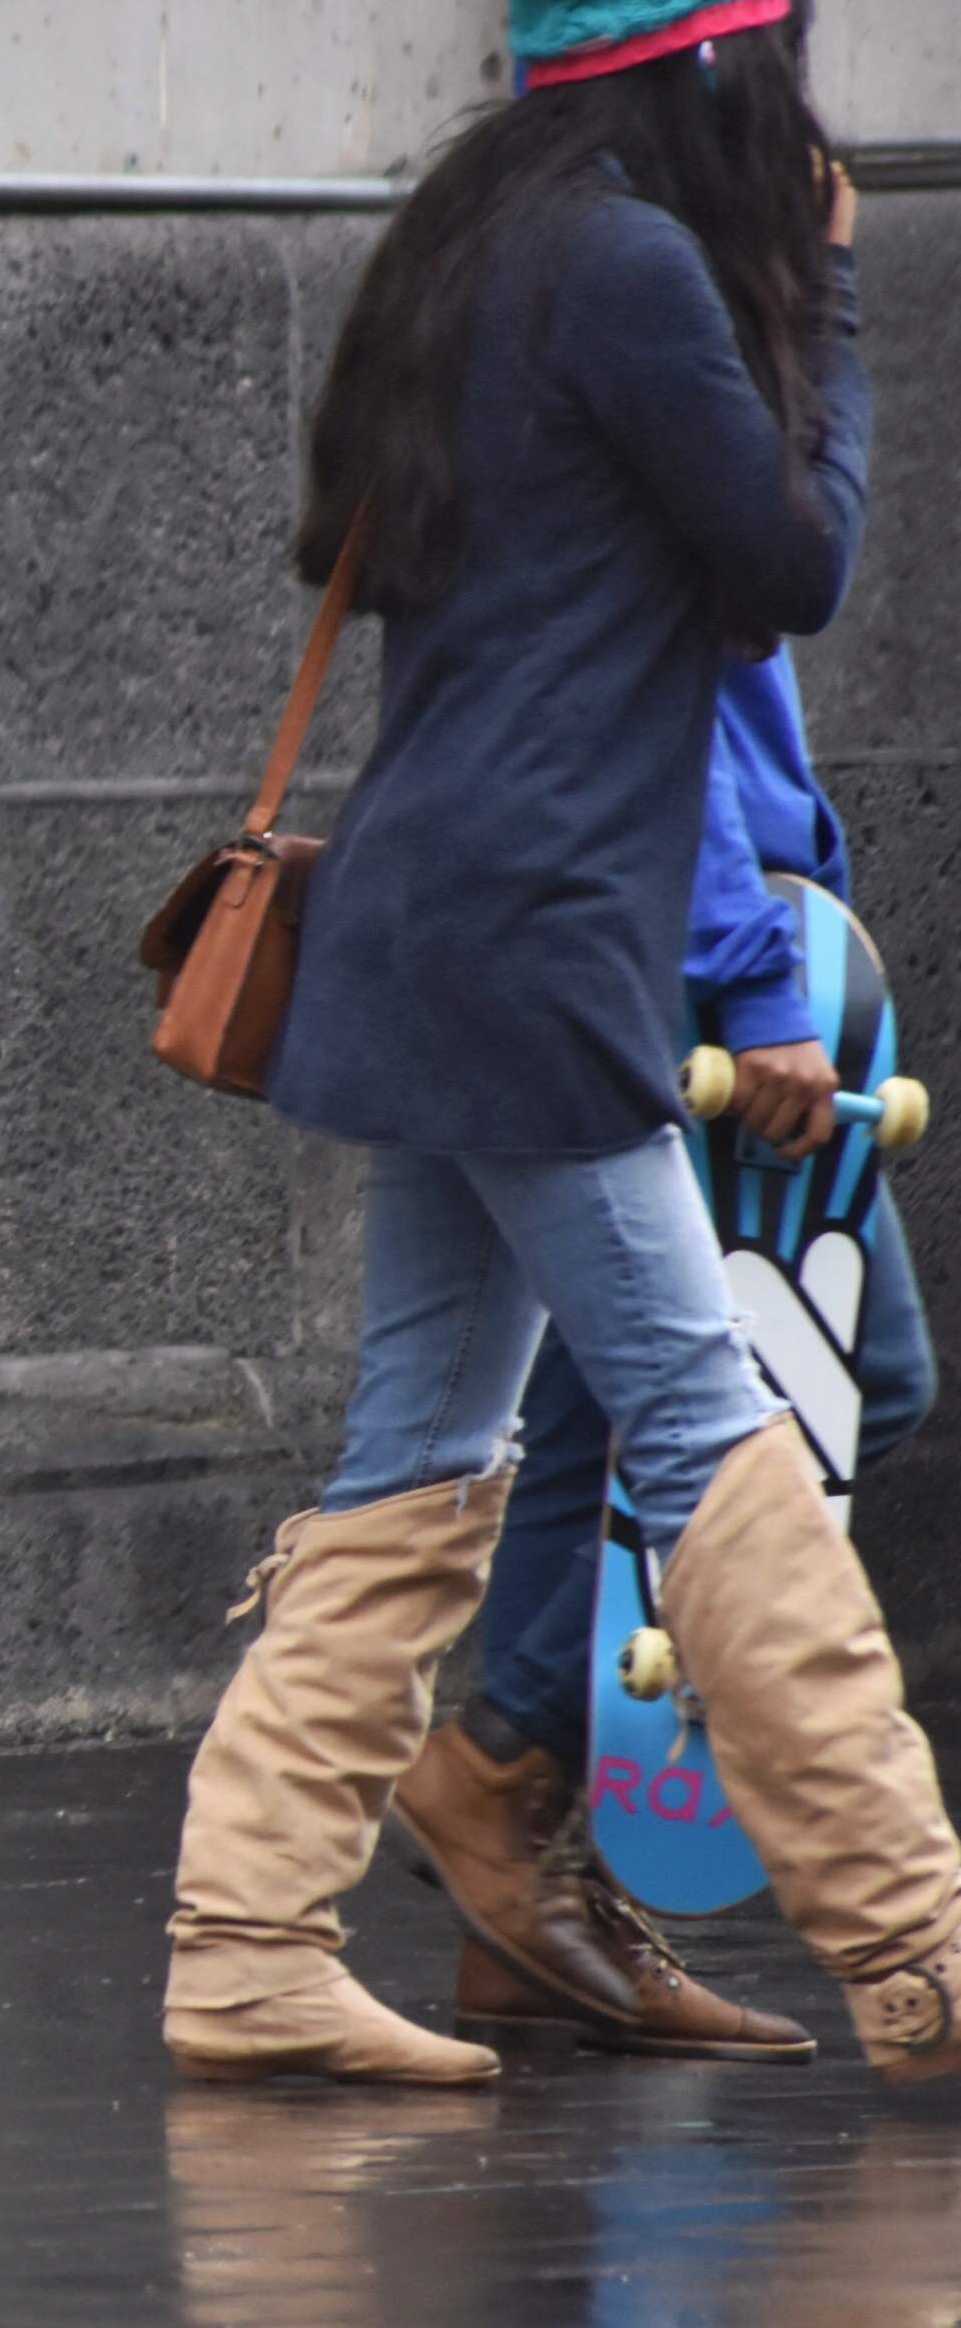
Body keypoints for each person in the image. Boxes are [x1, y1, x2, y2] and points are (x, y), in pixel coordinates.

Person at [161, 0, 961, 2088]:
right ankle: (917, 1953)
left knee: (415, 1443)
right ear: (714, 64)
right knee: (709, 1424)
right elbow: (785, 562)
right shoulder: (625, 273)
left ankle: (239, 1946)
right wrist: (835, 310)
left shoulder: (474, 244)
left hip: (435, 921)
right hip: (530, 939)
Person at [391, 649, 935, 2066]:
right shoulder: (671, 417)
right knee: (839, 1388)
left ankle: (509, 1881)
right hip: (686, 949)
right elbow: (651, 673)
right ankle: (505, 1761)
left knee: (597, 1421)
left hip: (685, 930)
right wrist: (755, 969)